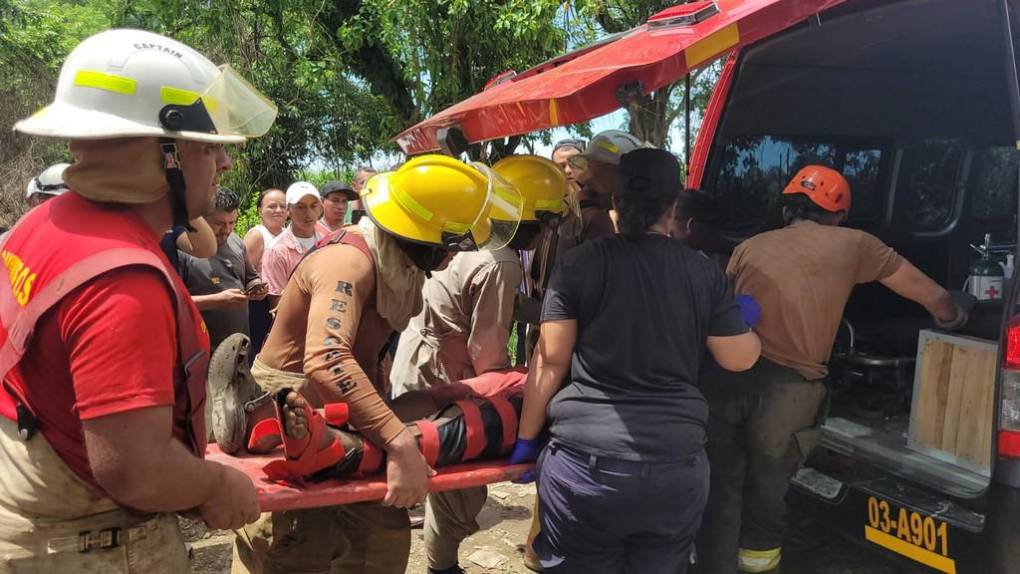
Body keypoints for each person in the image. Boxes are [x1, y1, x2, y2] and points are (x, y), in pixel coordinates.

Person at [0, 28, 277, 572]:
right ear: (164, 154)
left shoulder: (45, 224)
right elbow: (137, 468)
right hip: (93, 544)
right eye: (209, 147)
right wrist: (217, 483)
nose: (222, 164)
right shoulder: (122, 282)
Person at [209, 154, 522, 574]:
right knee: (294, 548)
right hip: (292, 404)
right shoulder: (349, 261)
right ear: (420, 232)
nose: (452, 256)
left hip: (350, 411)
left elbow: (365, 357)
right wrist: (400, 441)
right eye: (450, 243)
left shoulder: (399, 264)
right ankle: (245, 411)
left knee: (380, 541)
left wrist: (437, 398)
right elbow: (327, 358)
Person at [692, 165, 967, 574]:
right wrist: (953, 316)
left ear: (788, 209)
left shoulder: (751, 246)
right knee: (767, 494)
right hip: (787, 392)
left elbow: (726, 309)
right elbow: (925, 291)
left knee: (722, 489)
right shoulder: (855, 244)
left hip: (725, 379)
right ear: (838, 214)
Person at [510, 148, 761, 574]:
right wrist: (742, 321)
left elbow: (550, 360)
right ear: (673, 207)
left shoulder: (579, 263)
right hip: (673, 469)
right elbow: (738, 360)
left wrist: (525, 441)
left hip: (584, 468)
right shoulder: (702, 273)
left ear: (615, 206)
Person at [390, 155, 567, 574]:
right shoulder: (500, 262)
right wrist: (514, 395)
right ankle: (441, 566)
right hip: (446, 369)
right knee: (458, 487)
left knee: (422, 459)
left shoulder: (473, 242)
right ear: (528, 220)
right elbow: (487, 350)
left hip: (418, 359)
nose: (546, 234)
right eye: (545, 223)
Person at [180, 186, 268, 352]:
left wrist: (256, 287)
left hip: (239, 349)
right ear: (202, 219)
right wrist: (216, 301)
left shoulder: (237, 242)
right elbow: (172, 303)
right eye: (219, 224)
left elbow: (250, 277)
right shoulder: (184, 247)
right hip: (201, 351)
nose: (227, 230)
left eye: (232, 223)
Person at [261, 181, 324, 306]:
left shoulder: (329, 243)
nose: (308, 213)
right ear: (288, 210)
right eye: (300, 207)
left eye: (313, 206)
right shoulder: (277, 251)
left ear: (320, 208)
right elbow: (277, 305)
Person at [244, 187, 287, 359]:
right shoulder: (257, 236)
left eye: (282, 206)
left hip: (284, 302)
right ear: (260, 211)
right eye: (272, 206)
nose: (278, 210)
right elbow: (244, 274)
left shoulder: (288, 235)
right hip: (260, 305)